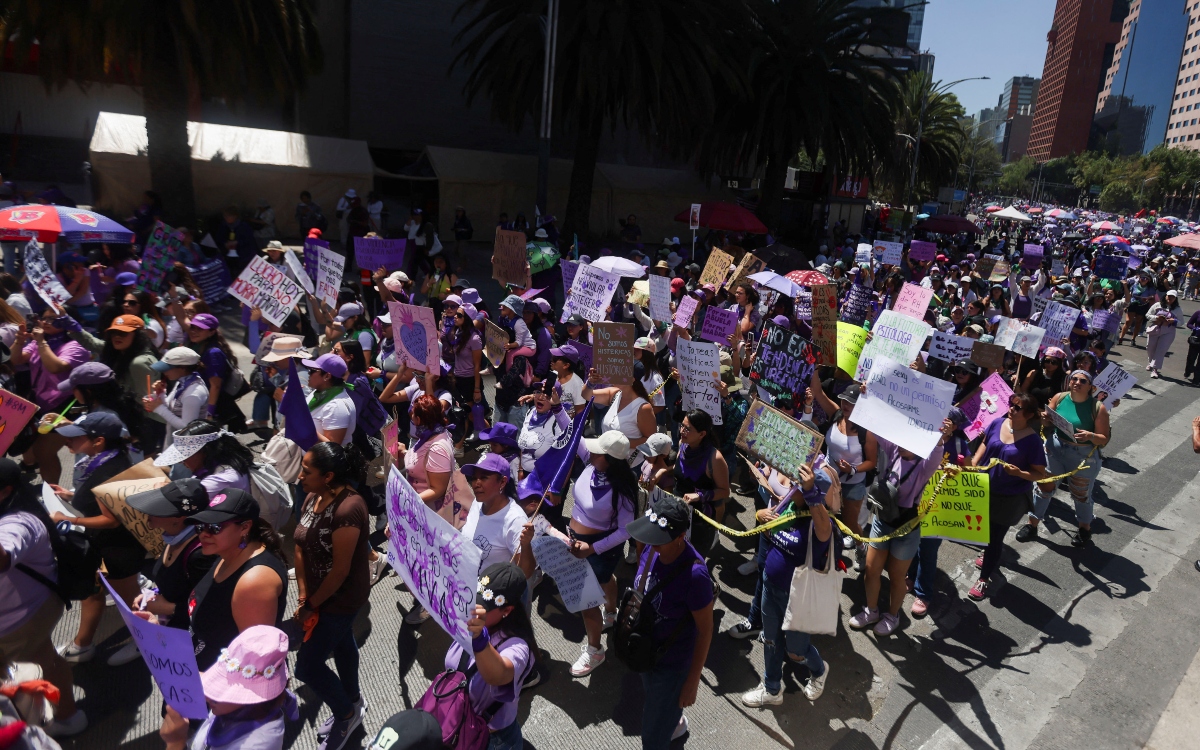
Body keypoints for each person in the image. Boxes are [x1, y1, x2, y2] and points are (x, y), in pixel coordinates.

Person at [125, 478, 217, 750]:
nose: (148, 515)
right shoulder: (175, 537)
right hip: (173, 635)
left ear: (179, 518)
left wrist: (163, 608)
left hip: (194, 642)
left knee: (185, 705)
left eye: (158, 510)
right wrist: (152, 593)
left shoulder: (201, 554)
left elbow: (210, 608)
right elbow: (170, 581)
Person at [0, 458, 86, 738]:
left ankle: (34, 727)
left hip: (20, 621)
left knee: (36, 667)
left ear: (4, 492)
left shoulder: (18, 523)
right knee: (46, 661)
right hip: (26, 612)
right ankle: (68, 716)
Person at [293, 443, 372, 749]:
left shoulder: (348, 508)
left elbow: (339, 572)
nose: (300, 476)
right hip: (314, 595)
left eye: (306, 471)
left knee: (307, 667)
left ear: (327, 476)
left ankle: (346, 713)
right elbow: (299, 542)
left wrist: (311, 605)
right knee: (341, 644)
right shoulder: (313, 496)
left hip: (340, 599)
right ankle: (352, 699)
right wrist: (302, 594)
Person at [46, 412, 141, 664]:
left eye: (75, 438)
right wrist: (71, 494)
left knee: (131, 602)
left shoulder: (106, 472)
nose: (68, 443)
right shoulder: (109, 459)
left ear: (98, 441)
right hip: (104, 545)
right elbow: (101, 501)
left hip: (118, 549)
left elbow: (111, 519)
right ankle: (83, 644)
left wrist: (69, 520)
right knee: (92, 591)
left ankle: (145, 643)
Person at [740, 463, 837, 708]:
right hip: (770, 588)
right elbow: (767, 527)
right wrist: (760, 515)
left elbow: (825, 532)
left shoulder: (820, 523)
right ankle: (772, 688)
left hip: (798, 599)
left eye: (797, 486)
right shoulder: (787, 508)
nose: (790, 489)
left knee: (796, 651)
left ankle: (819, 670)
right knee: (771, 642)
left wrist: (811, 491)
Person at [624, 494, 714, 749]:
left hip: (672, 665)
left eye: (659, 540)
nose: (651, 543)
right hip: (646, 650)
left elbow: (705, 630)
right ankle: (672, 720)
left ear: (680, 537)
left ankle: (667, 722)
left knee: (652, 738)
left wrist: (692, 682)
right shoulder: (651, 548)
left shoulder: (695, 575)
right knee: (658, 702)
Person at [848, 420, 952, 636]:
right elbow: (876, 423)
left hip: (906, 529)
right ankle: (871, 611)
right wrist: (870, 397)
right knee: (871, 569)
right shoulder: (894, 448)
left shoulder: (925, 465)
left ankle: (892, 616)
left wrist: (941, 437)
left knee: (897, 578)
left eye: (909, 442)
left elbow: (937, 452)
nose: (902, 444)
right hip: (881, 521)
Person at [552, 431, 637, 678]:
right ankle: (611, 612)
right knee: (605, 580)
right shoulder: (593, 463)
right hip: (578, 542)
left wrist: (593, 548)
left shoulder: (622, 490)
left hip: (600, 548)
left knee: (586, 603)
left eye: (597, 450)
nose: (591, 452)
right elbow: (574, 431)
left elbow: (625, 530)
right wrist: (557, 406)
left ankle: (595, 650)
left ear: (608, 459)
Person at [185, 489, 289, 675]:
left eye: (215, 527)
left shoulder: (254, 582)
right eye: (200, 526)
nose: (204, 534)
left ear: (245, 527)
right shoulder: (227, 553)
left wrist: (206, 685)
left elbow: (256, 662)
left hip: (224, 691)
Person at [444, 562, 537, 750]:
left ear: (507, 610)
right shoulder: (472, 621)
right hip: (457, 722)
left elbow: (499, 675)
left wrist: (480, 641)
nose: (475, 607)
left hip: (491, 740)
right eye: (475, 598)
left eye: (484, 604)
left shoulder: (517, 645)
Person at [967, 393, 1047, 601]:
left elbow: (1039, 474)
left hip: (1008, 497)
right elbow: (984, 445)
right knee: (982, 530)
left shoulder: (1033, 441)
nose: (1011, 408)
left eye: (1017, 407)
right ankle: (988, 556)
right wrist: (973, 464)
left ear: (1029, 415)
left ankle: (983, 579)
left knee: (995, 538)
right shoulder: (997, 422)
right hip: (982, 488)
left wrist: (1019, 473)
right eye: (1011, 404)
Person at [1017, 369, 1110, 547]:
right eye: (1074, 379)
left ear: (1090, 386)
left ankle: (1084, 529)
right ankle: (1032, 524)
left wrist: (1090, 436)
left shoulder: (1098, 407)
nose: (1077, 382)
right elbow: (1047, 422)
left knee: (1081, 494)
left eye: (1082, 381)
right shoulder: (1059, 397)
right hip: (1055, 449)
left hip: (1082, 456)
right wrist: (1044, 418)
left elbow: (1104, 438)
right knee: (1043, 487)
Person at [11, 308, 92, 485]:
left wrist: (41, 342)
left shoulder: (75, 346)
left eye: (53, 319)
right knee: (40, 451)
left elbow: (56, 367)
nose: (46, 322)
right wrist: (19, 340)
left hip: (65, 406)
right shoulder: (41, 341)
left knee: (44, 451)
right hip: (41, 404)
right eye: (44, 318)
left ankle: (54, 493)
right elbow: (16, 360)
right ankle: (51, 491)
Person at [188, 625, 298, 750]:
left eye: (220, 692)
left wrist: (175, 743)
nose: (206, 696)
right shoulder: (235, 708)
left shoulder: (256, 745)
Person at [808, 379, 877, 567]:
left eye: (851, 403)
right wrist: (814, 365)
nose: (845, 405)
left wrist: (853, 469)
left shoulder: (867, 432)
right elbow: (818, 392)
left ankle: (861, 548)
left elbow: (872, 462)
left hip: (853, 484)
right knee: (823, 516)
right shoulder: (836, 414)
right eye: (844, 400)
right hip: (828, 479)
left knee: (850, 524)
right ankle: (825, 553)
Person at [672, 410, 731, 559]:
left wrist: (699, 496)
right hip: (679, 511)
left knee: (694, 560)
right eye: (682, 426)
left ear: (702, 434)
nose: (682, 431)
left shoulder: (715, 458)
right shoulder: (682, 445)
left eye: (688, 429)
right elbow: (679, 472)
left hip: (701, 522)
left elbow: (724, 491)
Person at [153, 420, 254, 495]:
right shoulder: (220, 465)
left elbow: (184, 504)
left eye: (186, 455)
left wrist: (165, 491)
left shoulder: (221, 479)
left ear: (205, 451)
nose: (181, 461)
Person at [185, 313, 247, 433]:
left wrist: (209, 413)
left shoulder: (213, 353)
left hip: (212, 408)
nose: (194, 331)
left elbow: (215, 386)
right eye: (193, 327)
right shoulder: (197, 345)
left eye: (200, 329)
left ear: (212, 332)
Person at [144, 347, 209, 454]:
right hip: (173, 446)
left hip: (186, 453)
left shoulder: (192, 394)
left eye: (167, 367)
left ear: (183, 368)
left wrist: (158, 408)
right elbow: (171, 408)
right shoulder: (182, 383)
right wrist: (160, 393)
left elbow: (187, 427)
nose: (164, 371)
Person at [300, 353, 358, 445]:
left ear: (327, 376)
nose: (309, 373)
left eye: (312, 370)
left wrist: (302, 425)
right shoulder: (319, 392)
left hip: (319, 459)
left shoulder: (336, 406)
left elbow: (333, 447)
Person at [1145, 290, 1181, 379]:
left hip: (1168, 332)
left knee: (1161, 350)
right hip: (1155, 329)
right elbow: (1148, 315)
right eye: (1169, 296)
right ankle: (1151, 363)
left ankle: (1155, 369)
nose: (1170, 298)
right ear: (1165, 296)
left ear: (1175, 299)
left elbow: (1181, 322)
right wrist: (1157, 317)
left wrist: (1174, 321)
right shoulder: (1157, 305)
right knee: (1150, 347)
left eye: (1173, 297)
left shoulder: (1177, 309)